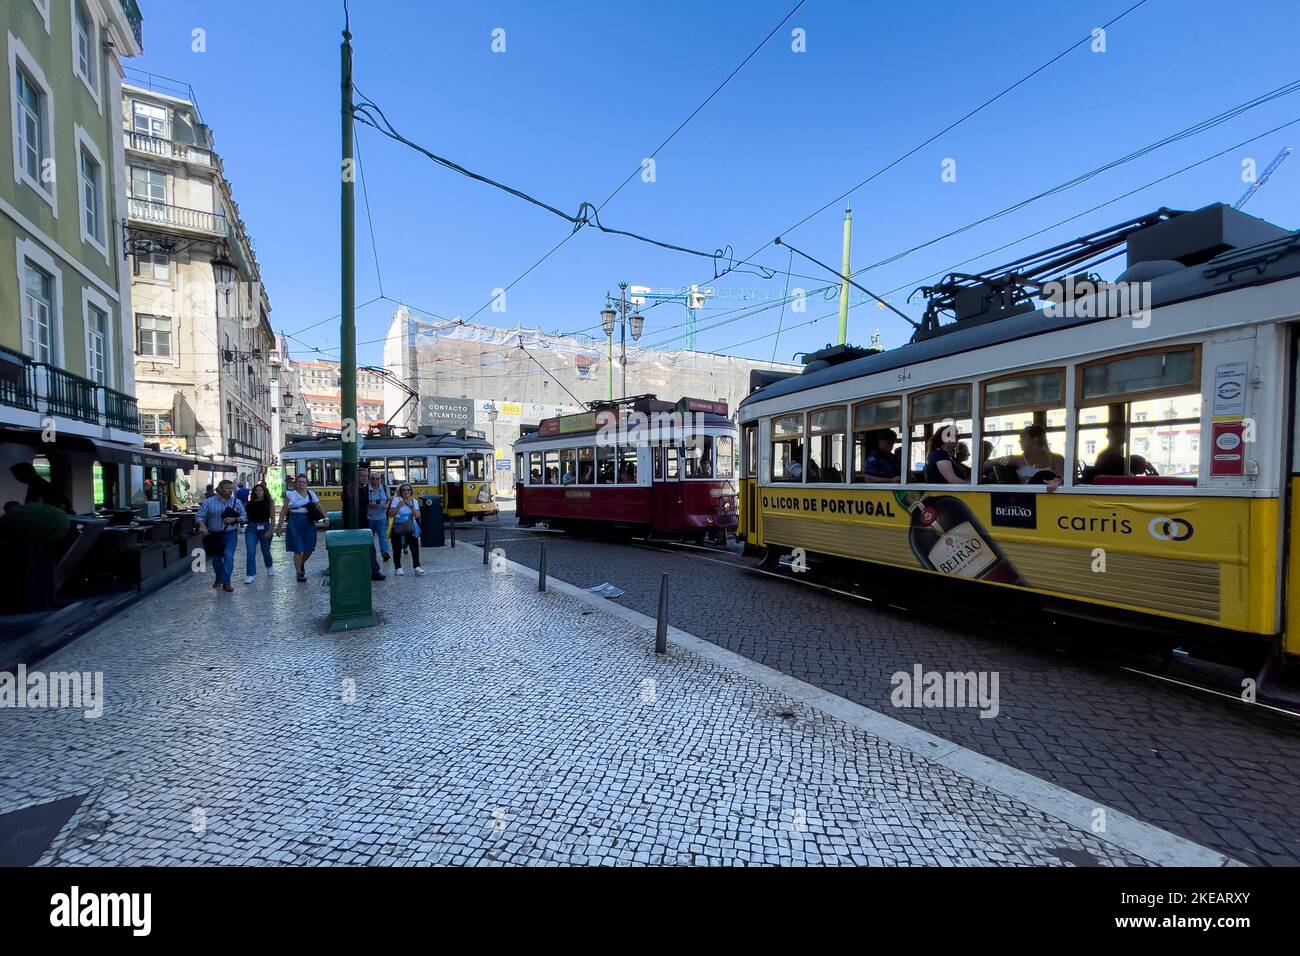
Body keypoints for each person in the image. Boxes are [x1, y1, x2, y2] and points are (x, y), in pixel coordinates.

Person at [195, 478, 247, 592]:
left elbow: (244, 516)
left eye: (231, 489)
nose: (230, 491)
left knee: (228, 555)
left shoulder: (236, 502)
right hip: (214, 534)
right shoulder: (208, 502)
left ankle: (226, 582)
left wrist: (234, 519)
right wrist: (201, 525)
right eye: (227, 489)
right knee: (216, 559)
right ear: (219, 489)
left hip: (230, 534)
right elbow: (200, 516)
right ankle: (219, 577)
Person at [276, 474, 328, 582]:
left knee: (309, 549)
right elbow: (284, 510)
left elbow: (319, 506)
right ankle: (299, 572)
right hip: (295, 522)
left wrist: (325, 518)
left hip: (308, 522)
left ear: (306, 484)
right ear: (296, 483)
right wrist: (279, 526)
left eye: (303, 482)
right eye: (299, 482)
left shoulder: (311, 494)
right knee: (298, 549)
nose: (301, 484)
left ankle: (301, 563)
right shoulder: (290, 494)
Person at [984, 424, 1064, 491]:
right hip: (1024, 499)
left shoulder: (1056, 458)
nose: (1019, 441)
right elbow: (986, 464)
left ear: (1035, 439)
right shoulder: (1016, 459)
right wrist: (1004, 458)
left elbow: (1063, 478)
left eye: (1023, 438)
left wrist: (1058, 480)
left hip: (1050, 496)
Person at [387, 483, 424, 576]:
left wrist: (411, 506)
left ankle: (416, 566)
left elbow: (417, 515)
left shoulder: (414, 501)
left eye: (408, 490)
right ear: (400, 491)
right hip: (397, 527)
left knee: (414, 547)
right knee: (397, 547)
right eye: (404, 490)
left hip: (410, 527)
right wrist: (399, 506)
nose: (406, 491)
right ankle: (398, 567)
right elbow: (391, 514)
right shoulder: (396, 500)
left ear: (411, 491)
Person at [243, 482, 275, 583]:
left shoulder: (269, 503)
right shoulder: (249, 504)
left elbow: (273, 519)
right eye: (256, 491)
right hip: (251, 528)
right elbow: (245, 517)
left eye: (260, 490)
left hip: (265, 527)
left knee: (265, 551)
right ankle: (250, 574)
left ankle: (269, 566)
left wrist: (270, 530)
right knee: (251, 551)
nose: (258, 492)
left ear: (264, 492)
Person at [364, 467, 391, 579]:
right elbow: (364, 501)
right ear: (370, 480)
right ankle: (372, 556)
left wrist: (387, 506)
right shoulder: (366, 489)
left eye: (378, 479)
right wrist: (370, 504)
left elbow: (389, 499)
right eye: (373, 478)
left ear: (381, 480)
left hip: (381, 516)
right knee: (370, 538)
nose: (375, 481)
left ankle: (385, 553)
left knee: (383, 536)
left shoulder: (384, 488)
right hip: (369, 517)